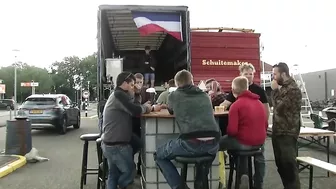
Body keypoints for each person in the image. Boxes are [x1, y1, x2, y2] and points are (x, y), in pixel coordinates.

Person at [154, 70, 220, 189]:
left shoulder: (174, 95)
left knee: (159, 155)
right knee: (204, 157)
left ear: (176, 84)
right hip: (213, 143)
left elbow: (171, 110)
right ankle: (200, 182)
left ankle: (180, 186)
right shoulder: (205, 95)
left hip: (191, 143)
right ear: (192, 81)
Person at [101, 72, 160, 189]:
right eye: (132, 84)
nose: (135, 87)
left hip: (110, 142)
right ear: (125, 84)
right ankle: (119, 185)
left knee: (114, 172)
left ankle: (113, 183)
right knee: (130, 172)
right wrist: (150, 108)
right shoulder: (119, 95)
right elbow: (135, 110)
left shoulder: (118, 94)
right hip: (117, 144)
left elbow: (132, 104)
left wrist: (135, 93)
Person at [220, 63, 270, 189]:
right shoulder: (256, 100)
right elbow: (224, 104)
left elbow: (266, 113)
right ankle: (245, 179)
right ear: (241, 75)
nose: (248, 76)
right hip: (258, 137)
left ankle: (253, 182)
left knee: (219, 144)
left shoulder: (258, 91)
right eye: (246, 74)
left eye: (250, 74)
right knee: (247, 153)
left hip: (246, 137)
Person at [271, 62, 302, 189]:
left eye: (275, 74)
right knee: (281, 166)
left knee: (289, 166)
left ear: (283, 74)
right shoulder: (283, 88)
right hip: (278, 131)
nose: (273, 77)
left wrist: (275, 90)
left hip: (288, 133)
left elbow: (279, 108)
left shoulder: (293, 89)